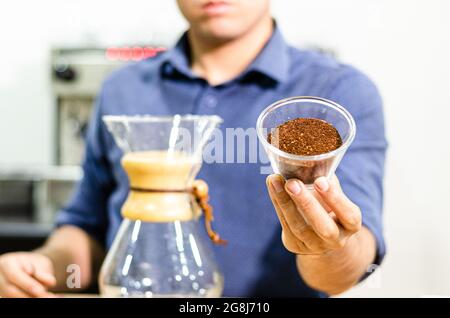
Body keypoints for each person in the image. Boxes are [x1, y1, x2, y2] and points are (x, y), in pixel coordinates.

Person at [0, 0, 386, 297]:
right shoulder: (122, 89)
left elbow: (347, 267)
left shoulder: (335, 93)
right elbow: (87, 230)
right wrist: (43, 267)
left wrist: (327, 249)